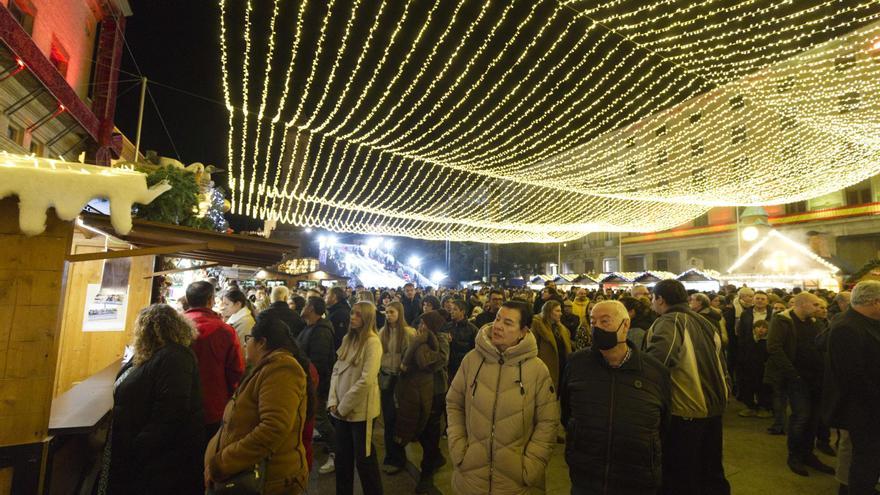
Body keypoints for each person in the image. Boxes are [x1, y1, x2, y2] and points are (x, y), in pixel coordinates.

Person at [446, 301, 559, 494]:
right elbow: (454, 403)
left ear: (523, 331)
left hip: (516, 482)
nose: (498, 326)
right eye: (498, 318)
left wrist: (530, 467)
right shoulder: (472, 360)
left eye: (508, 323)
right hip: (471, 476)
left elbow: (547, 423)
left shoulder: (537, 369)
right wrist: (459, 448)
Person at [561, 300, 671, 495]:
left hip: (637, 477)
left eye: (605, 321)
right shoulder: (576, 364)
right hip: (587, 475)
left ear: (625, 325)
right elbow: (567, 413)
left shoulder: (654, 371)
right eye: (593, 322)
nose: (597, 328)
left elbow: (664, 423)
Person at [100, 304, 204, 495]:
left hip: (158, 458)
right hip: (143, 449)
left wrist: (139, 445)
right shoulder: (152, 354)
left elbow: (171, 411)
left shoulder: (175, 357)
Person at [205, 317, 310, 494]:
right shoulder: (267, 367)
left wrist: (222, 462)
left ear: (262, 343)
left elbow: (273, 427)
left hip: (269, 481)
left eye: (249, 339)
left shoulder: (282, 369)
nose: (246, 344)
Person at [645, 280, 730, 495]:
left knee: (681, 475)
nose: (651, 303)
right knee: (710, 471)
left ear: (660, 299)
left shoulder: (670, 321)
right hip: (713, 409)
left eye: (652, 298)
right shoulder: (705, 323)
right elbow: (723, 365)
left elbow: (658, 362)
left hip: (685, 412)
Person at [765, 292, 834, 476]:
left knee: (813, 418)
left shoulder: (814, 322)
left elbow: (819, 347)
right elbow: (774, 347)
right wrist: (793, 374)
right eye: (815, 305)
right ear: (802, 304)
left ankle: (808, 454)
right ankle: (794, 456)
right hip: (797, 379)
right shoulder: (783, 320)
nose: (819, 308)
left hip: (816, 378)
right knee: (801, 417)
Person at [824, 280, 880, 494]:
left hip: (870, 405)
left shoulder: (865, 322)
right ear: (875, 302)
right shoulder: (846, 327)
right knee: (865, 461)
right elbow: (852, 377)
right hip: (863, 409)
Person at [327, 301, 384, 495]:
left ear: (367, 318)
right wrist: (333, 401)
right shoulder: (347, 339)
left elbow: (366, 380)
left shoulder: (372, 342)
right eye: (352, 313)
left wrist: (342, 406)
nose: (352, 317)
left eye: (358, 314)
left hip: (360, 411)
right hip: (340, 409)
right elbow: (336, 370)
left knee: (364, 460)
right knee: (343, 459)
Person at [395, 311, 449, 493]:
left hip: (435, 391)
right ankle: (437, 457)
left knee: (430, 432)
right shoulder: (419, 337)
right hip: (418, 390)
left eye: (425, 323)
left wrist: (418, 344)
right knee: (422, 430)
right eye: (421, 323)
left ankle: (427, 474)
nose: (421, 326)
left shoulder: (440, 339)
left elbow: (432, 362)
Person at [183, 281, 244, 442]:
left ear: (188, 300)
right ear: (211, 300)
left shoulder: (175, 326)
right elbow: (236, 370)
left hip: (178, 402)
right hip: (213, 405)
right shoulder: (225, 330)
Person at [297, 296, 338, 475]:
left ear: (311, 308)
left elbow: (318, 364)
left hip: (317, 384)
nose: (302, 307)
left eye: (306, 304)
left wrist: (313, 386)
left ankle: (337, 452)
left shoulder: (320, 331)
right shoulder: (311, 327)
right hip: (313, 382)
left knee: (320, 418)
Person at [377, 301, 416, 474]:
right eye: (386, 312)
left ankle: (398, 457)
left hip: (401, 380)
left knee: (398, 419)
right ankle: (390, 455)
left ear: (399, 313)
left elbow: (412, 357)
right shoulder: (382, 332)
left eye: (392, 312)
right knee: (389, 419)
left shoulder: (408, 333)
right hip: (386, 378)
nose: (388, 315)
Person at [531, 299, 572, 394]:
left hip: (561, 367)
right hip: (546, 368)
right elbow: (534, 348)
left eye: (560, 311)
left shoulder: (560, 328)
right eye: (557, 311)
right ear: (548, 312)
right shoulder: (537, 325)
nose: (561, 313)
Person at [445, 299, 478, 382]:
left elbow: (475, 350)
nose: (451, 312)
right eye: (451, 309)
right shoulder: (447, 326)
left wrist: (453, 342)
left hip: (463, 367)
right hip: (448, 367)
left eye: (455, 309)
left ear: (462, 312)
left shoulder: (472, 329)